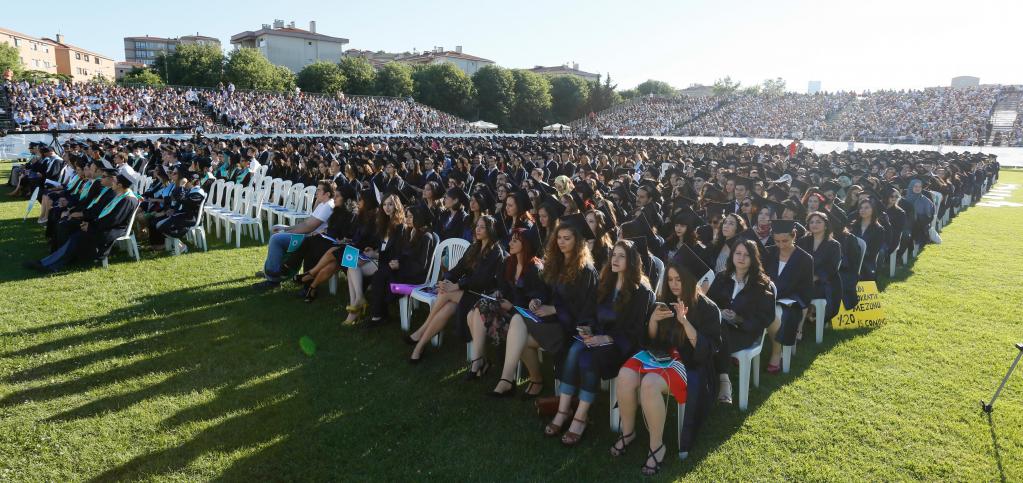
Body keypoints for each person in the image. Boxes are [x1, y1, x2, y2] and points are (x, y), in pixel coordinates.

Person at [614, 247, 722, 473]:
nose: (673, 284)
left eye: (679, 280)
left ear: (690, 280)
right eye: (670, 279)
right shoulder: (665, 301)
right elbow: (651, 340)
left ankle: (657, 446)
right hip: (661, 356)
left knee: (649, 384)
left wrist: (685, 322)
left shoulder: (708, 309)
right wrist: (653, 321)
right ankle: (628, 432)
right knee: (624, 374)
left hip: (688, 364)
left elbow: (707, 350)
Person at [553, 240, 654, 446]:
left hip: (622, 346)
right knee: (574, 350)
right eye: (614, 255)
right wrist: (588, 329)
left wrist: (607, 338)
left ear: (632, 261)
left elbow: (635, 331)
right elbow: (590, 312)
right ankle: (563, 410)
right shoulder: (606, 281)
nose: (615, 260)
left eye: (621, 256)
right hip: (597, 337)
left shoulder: (641, 291)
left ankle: (580, 417)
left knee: (589, 358)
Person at [407, 215, 506, 363]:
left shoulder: (495, 252)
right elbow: (458, 268)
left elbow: (481, 280)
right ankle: (419, 347)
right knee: (447, 306)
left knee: (446, 292)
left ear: (490, 230)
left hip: (482, 297)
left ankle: (422, 330)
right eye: (477, 226)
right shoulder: (475, 247)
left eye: (482, 227)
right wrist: (445, 280)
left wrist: (457, 285)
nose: (478, 229)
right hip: (468, 291)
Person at [469, 228, 547, 387]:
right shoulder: (508, 263)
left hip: (522, 319)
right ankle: (479, 361)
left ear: (525, 245)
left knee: (476, 312)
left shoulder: (535, 269)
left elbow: (533, 303)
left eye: (515, 241)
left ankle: (479, 363)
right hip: (507, 309)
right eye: (511, 239)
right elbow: (503, 288)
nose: (510, 243)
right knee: (475, 310)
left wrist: (512, 307)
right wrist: (499, 292)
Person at [24, 171, 139, 273]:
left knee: (77, 236)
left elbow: (113, 220)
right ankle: (49, 261)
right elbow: (106, 216)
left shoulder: (128, 200)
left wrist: (91, 226)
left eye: (115, 182)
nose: (112, 183)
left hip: (113, 230)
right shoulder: (121, 195)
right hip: (103, 226)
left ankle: (51, 265)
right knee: (75, 234)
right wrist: (90, 224)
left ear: (120, 185)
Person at [707, 238, 776, 395]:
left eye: (746, 255)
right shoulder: (722, 277)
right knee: (712, 335)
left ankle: (717, 380)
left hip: (744, 332)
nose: (741, 258)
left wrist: (739, 319)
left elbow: (766, 317)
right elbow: (709, 303)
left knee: (710, 341)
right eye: (738, 253)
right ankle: (719, 379)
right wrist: (720, 311)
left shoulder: (762, 284)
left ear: (753, 258)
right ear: (732, 255)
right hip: (719, 327)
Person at [253, 181, 335, 289]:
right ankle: (271, 270)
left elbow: (309, 227)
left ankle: (273, 280)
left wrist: (287, 232)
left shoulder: (328, 206)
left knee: (276, 239)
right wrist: (286, 229)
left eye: (319, 190)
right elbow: (307, 222)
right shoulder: (322, 204)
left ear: (327, 194)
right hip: (308, 234)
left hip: (311, 238)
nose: (316, 192)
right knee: (275, 229)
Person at [365, 205, 436, 327]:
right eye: (406, 216)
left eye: (411, 217)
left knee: (383, 278)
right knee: (379, 275)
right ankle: (379, 315)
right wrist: (396, 261)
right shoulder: (410, 232)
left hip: (415, 277)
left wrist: (400, 266)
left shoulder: (426, 237)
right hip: (404, 270)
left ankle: (379, 315)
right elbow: (403, 254)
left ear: (419, 218)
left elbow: (421, 266)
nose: (407, 219)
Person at [342, 193, 407, 320]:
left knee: (352, 268)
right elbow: (383, 246)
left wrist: (375, 255)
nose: (387, 207)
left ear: (397, 206)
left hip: (389, 264)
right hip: (379, 259)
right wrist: (374, 251)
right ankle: (358, 300)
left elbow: (396, 253)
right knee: (351, 266)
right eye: (384, 204)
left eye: (390, 204)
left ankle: (355, 307)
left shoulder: (400, 227)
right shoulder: (384, 223)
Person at [763, 220, 814, 361]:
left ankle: (776, 353)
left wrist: (790, 299)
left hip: (790, 303)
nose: (781, 245)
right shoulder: (768, 252)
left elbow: (806, 290)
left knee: (774, 315)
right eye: (777, 241)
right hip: (766, 297)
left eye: (785, 241)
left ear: (794, 236)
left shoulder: (805, 259)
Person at [796, 212, 844, 323]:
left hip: (826, 282)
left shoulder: (834, 245)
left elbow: (831, 268)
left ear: (826, 225)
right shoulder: (802, 241)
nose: (814, 224)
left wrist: (815, 277)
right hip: (804, 279)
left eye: (818, 222)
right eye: (812, 222)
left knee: (806, 290)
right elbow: (797, 261)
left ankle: (805, 319)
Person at [848, 198, 886, 280]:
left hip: (866, 262)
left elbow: (873, 252)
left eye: (866, 208)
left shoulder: (879, 229)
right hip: (850, 258)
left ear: (873, 210)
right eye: (861, 208)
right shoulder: (853, 226)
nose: (863, 210)